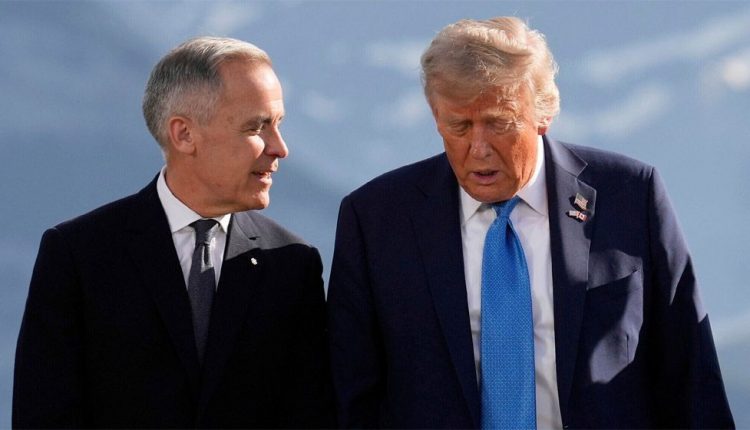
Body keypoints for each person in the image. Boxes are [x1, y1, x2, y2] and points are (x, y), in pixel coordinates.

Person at [327, 17, 734, 429]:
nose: (478, 148)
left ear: (543, 113)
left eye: (498, 122)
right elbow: (351, 395)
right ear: (436, 117)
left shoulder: (630, 197)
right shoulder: (377, 221)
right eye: (459, 126)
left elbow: (692, 377)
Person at [13, 36, 334, 428]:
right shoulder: (79, 255)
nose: (279, 148)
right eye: (256, 127)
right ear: (184, 134)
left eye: (278, 125)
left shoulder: (291, 264)